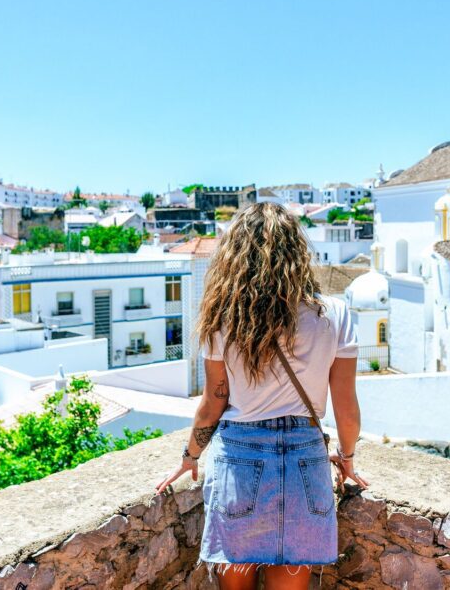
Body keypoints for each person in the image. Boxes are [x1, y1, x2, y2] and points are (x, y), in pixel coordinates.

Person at [155, 202, 368, 590]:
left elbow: (213, 402)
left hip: (240, 458)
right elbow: (347, 410)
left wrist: (190, 457)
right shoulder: (335, 314)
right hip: (307, 459)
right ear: (297, 251)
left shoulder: (224, 319)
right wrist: (348, 459)